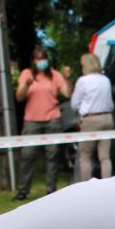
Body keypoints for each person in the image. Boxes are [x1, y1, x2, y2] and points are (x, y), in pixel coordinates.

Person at [13, 46, 72, 201]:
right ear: (34, 61)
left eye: (43, 58)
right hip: (31, 120)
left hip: (53, 119)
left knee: (52, 155)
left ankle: (50, 190)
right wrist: (26, 84)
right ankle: (23, 190)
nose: (41, 62)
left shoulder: (54, 75)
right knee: (27, 155)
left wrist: (67, 78)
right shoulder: (26, 74)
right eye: (38, 59)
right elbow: (19, 97)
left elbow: (67, 93)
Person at [70, 52, 114, 182]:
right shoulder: (105, 80)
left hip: (91, 120)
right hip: (107, 118)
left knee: (86, 155)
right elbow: (110, 103)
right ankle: (107, 184)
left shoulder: (83, 81)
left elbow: (74, 104)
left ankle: (86, 186)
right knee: (105, 157)